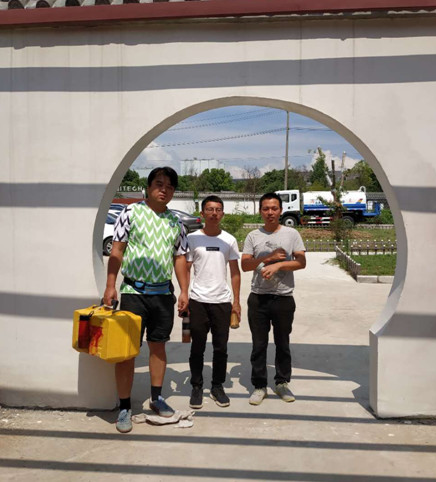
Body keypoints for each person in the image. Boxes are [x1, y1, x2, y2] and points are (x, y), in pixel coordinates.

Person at [103, 167, 189, 433]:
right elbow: (117, 250)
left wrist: (184, 291)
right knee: (127, 352)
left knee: (158, 347)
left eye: (170, 186)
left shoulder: (176, 222)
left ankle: (156, 398)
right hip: (133, 294)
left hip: (162, 295)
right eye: (159, 184)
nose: (164, 190)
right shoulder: (131, 213)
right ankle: (125, 406)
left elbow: (180, 257)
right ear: (148, 187)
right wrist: (110, 286)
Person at [241, 192, 306, 405]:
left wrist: (279, 265)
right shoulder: (253, 236)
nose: (270, 212)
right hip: (258, 298)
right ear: (260, 211)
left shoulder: (291, 234)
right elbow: (245, 265)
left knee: (282, 343)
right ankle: (259, 386)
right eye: (266, 208)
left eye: (274, 208)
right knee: (259, 345)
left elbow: (301, 262)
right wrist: (268, 258)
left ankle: (282, 383)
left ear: (280, 211)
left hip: (283, 298)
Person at [186, 195, 241, 409]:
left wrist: (236, 302)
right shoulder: (192, 239)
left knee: (221, 348)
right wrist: (184, 295)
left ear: (223, 214)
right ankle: (196, 386)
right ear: (202, 213)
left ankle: (217, 386)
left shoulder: (229, 240)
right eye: (210, 209)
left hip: (222, 301)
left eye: (218, 210)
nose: (214, 213)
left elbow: (235, 273)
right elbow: (185, 269)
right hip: (197, 300)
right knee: (196, 347)